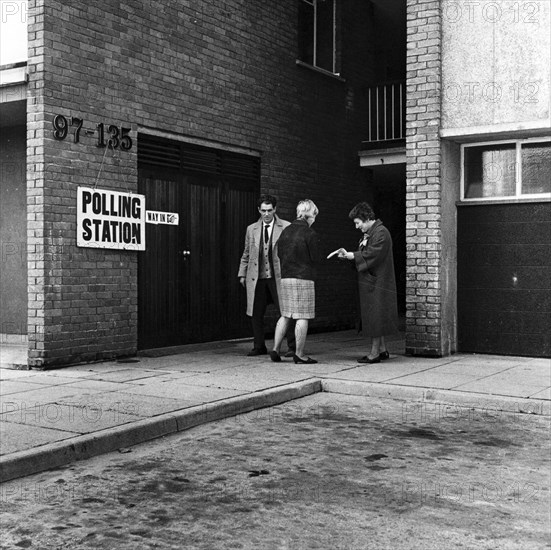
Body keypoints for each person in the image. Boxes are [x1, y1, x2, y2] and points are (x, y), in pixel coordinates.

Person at [336, 201, 398, 363]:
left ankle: (374, 353)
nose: (356, 227)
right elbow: (368, 253)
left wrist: (351, 255)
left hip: (377, 283)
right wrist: (351, 256)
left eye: (357, 223)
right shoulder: (374, 232)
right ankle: (382, 350)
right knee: (375, 316)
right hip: (373, 281)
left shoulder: (381, 233)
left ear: (366, 218)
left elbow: (372, 254)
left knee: (375, 317)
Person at [238, 194, 296, 356]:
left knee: (286, 311)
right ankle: (259, 346)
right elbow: (246, 253)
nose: (266, 214)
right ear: (259, 210)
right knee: (256, 312)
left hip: (279, 278)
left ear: (275, 209)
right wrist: (242, 274)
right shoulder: (251, 229)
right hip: (257, 278)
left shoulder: (286, 226)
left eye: (269, 210)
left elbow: (292, 254)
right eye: (263, 210)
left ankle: (292, 347)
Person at [270, 199, 320, 364]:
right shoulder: (310, 233)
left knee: (285, 315)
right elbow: (315, 257)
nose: (314, 219)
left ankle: (275, 349)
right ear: (308, 215)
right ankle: (299, 354)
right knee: (302, 316)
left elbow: (278, 254)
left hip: (286, 278)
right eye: (314, 215)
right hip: (304, 278)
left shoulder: (285, 231)